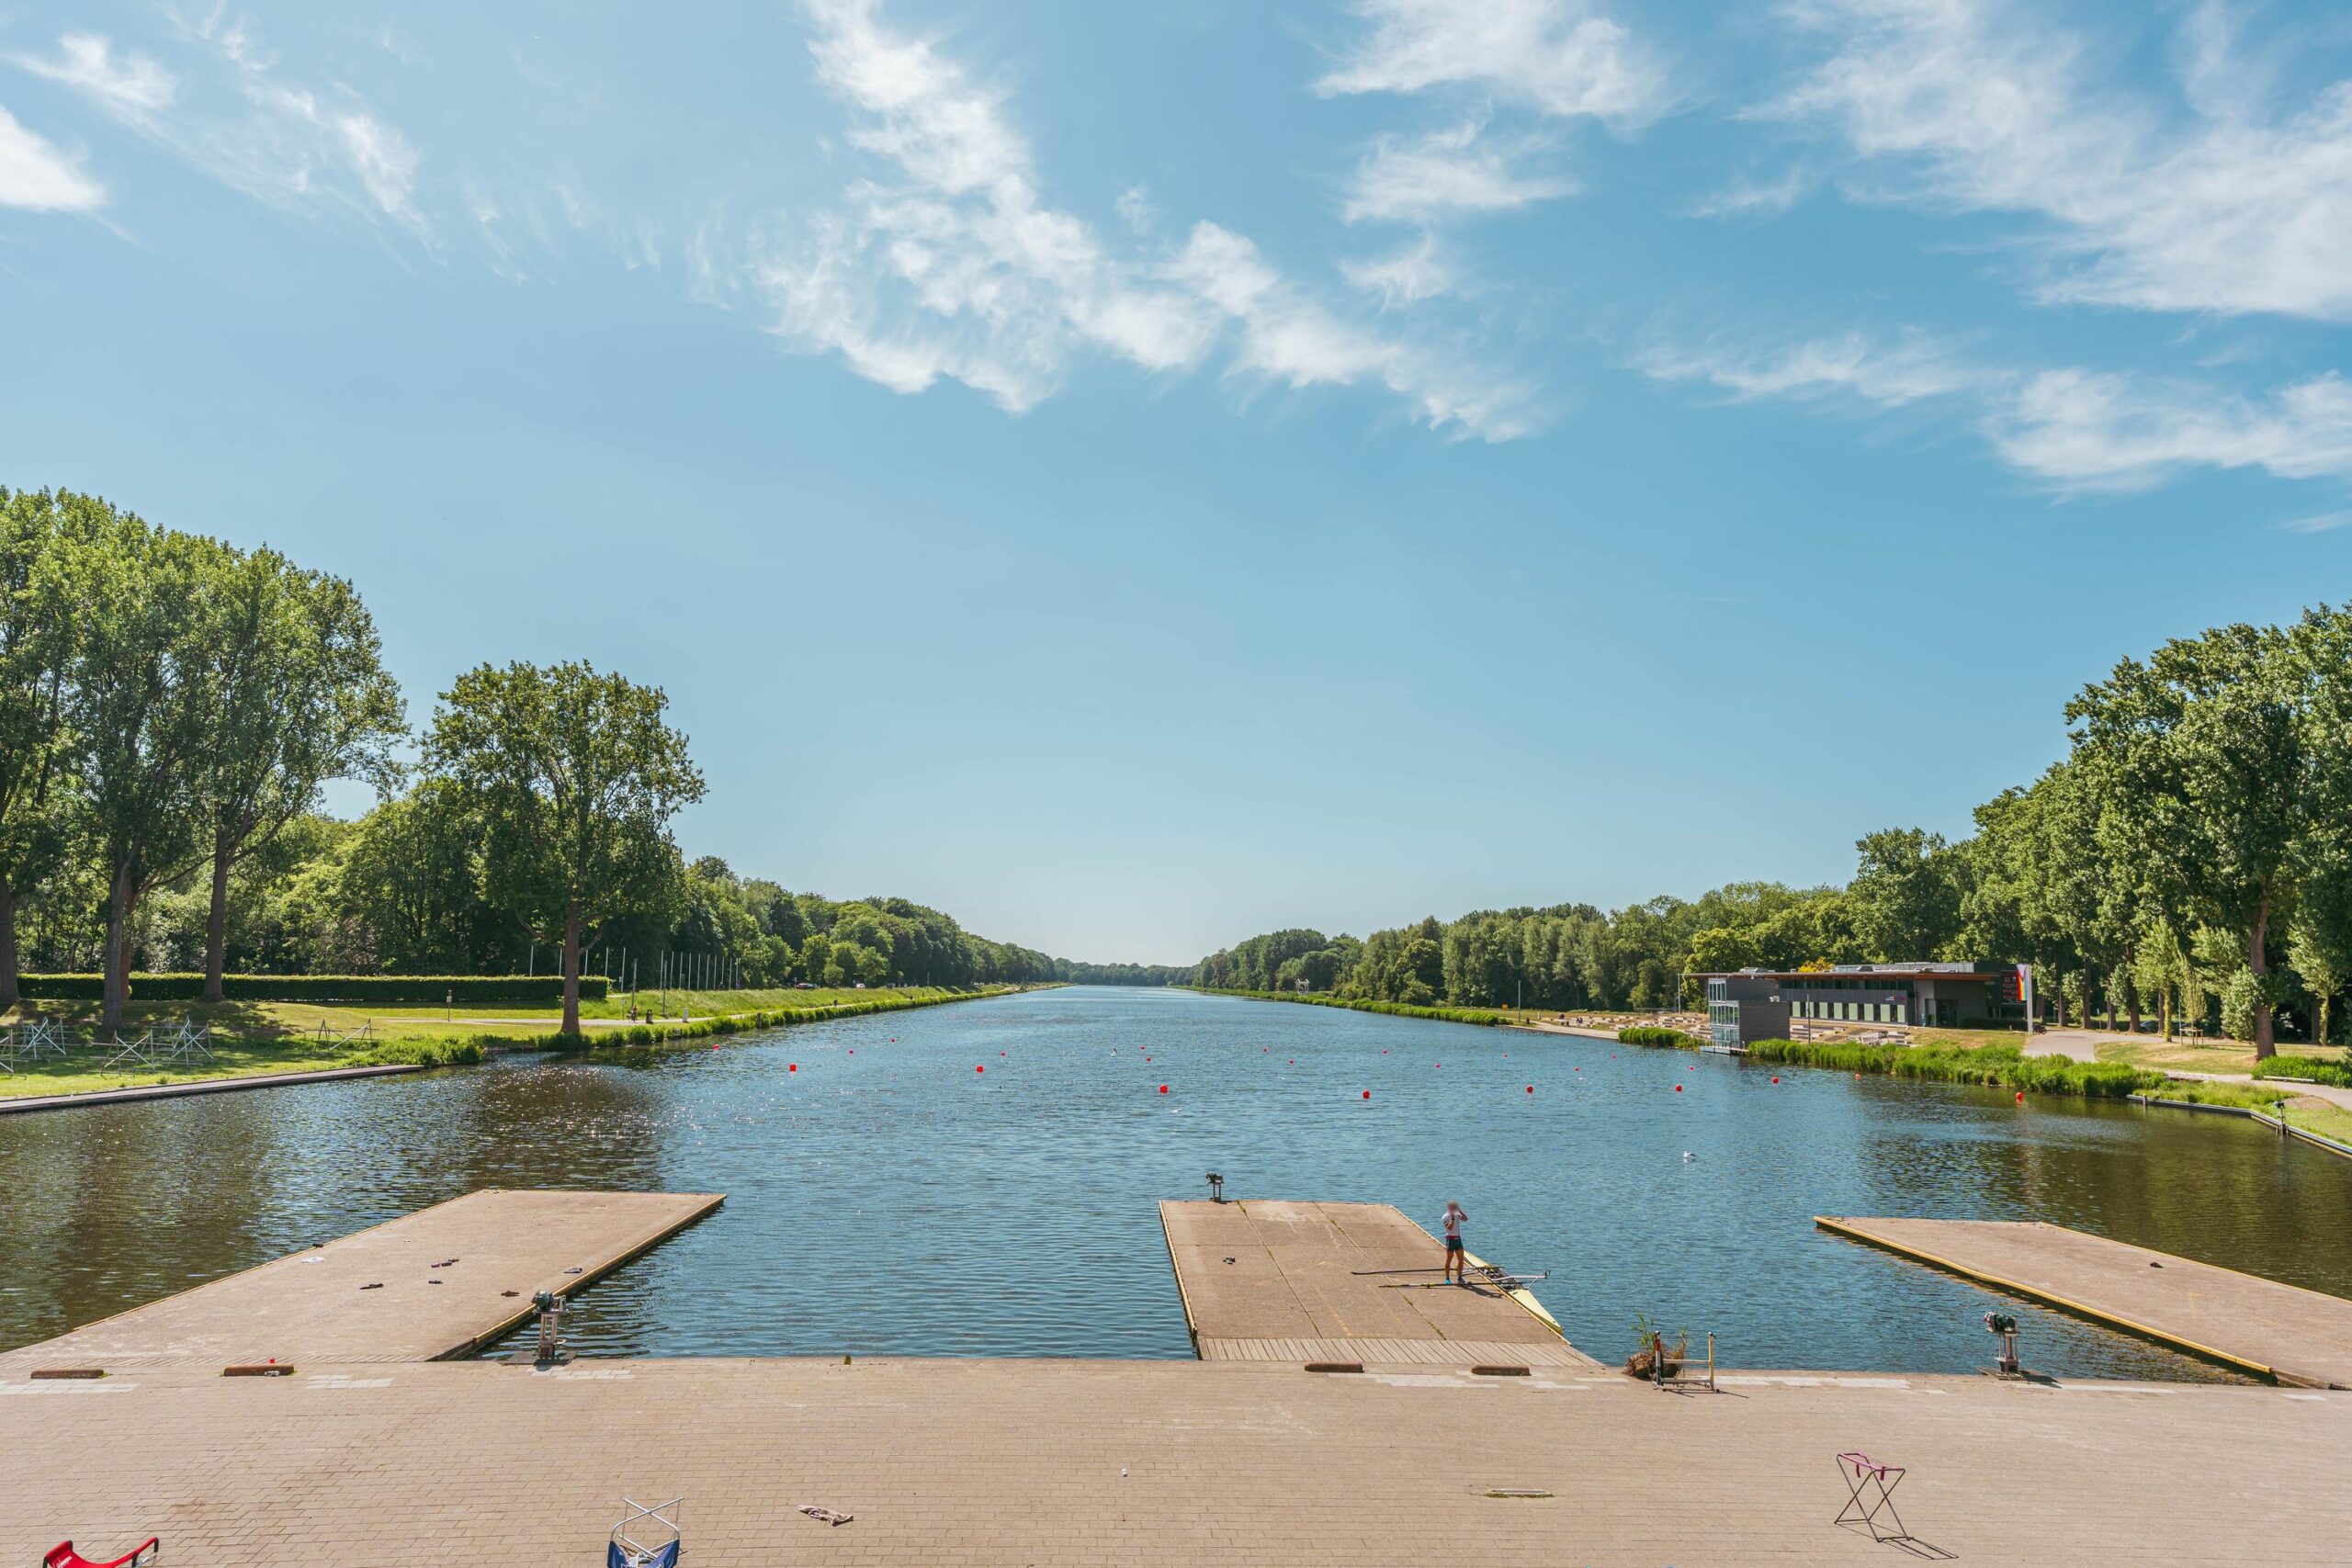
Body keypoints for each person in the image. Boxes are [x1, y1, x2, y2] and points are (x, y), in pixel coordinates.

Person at [1440, 1201, 1469, 1284]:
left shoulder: (1457, 1214)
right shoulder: (1445, 1217)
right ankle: (1447, 1278)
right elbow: (1449, 1228)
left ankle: (1460, 1277)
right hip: (1450, 1240)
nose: (1454, 1209)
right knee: (1449, 1258)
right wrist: (1452, 1218)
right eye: (1453, 1207)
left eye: (1455, 1207)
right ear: (1449, 1207)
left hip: (1458, 1240)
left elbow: (1465, 1219)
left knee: (1461, 1259)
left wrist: (1460, 1211)